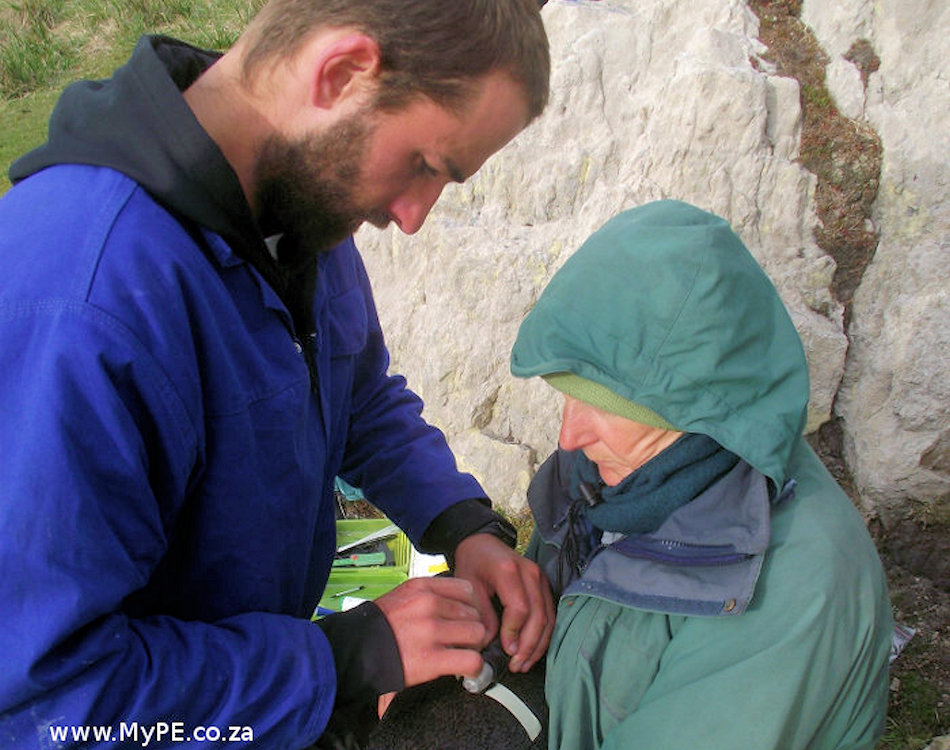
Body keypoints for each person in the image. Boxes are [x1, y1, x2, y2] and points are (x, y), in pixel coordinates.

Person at [0, 1, 554, 746]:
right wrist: (343, 662)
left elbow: (356, 394)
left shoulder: (299, 211)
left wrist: (462, 524)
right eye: (425, 164)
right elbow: (48, 703)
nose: (415, 214)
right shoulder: (84, 303)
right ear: (342, 72)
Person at [509, 200, 894, 749]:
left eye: (601, 404)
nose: (569, 437)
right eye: (567, 396)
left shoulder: (797, 586)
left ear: (697, 411)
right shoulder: (620, 470)